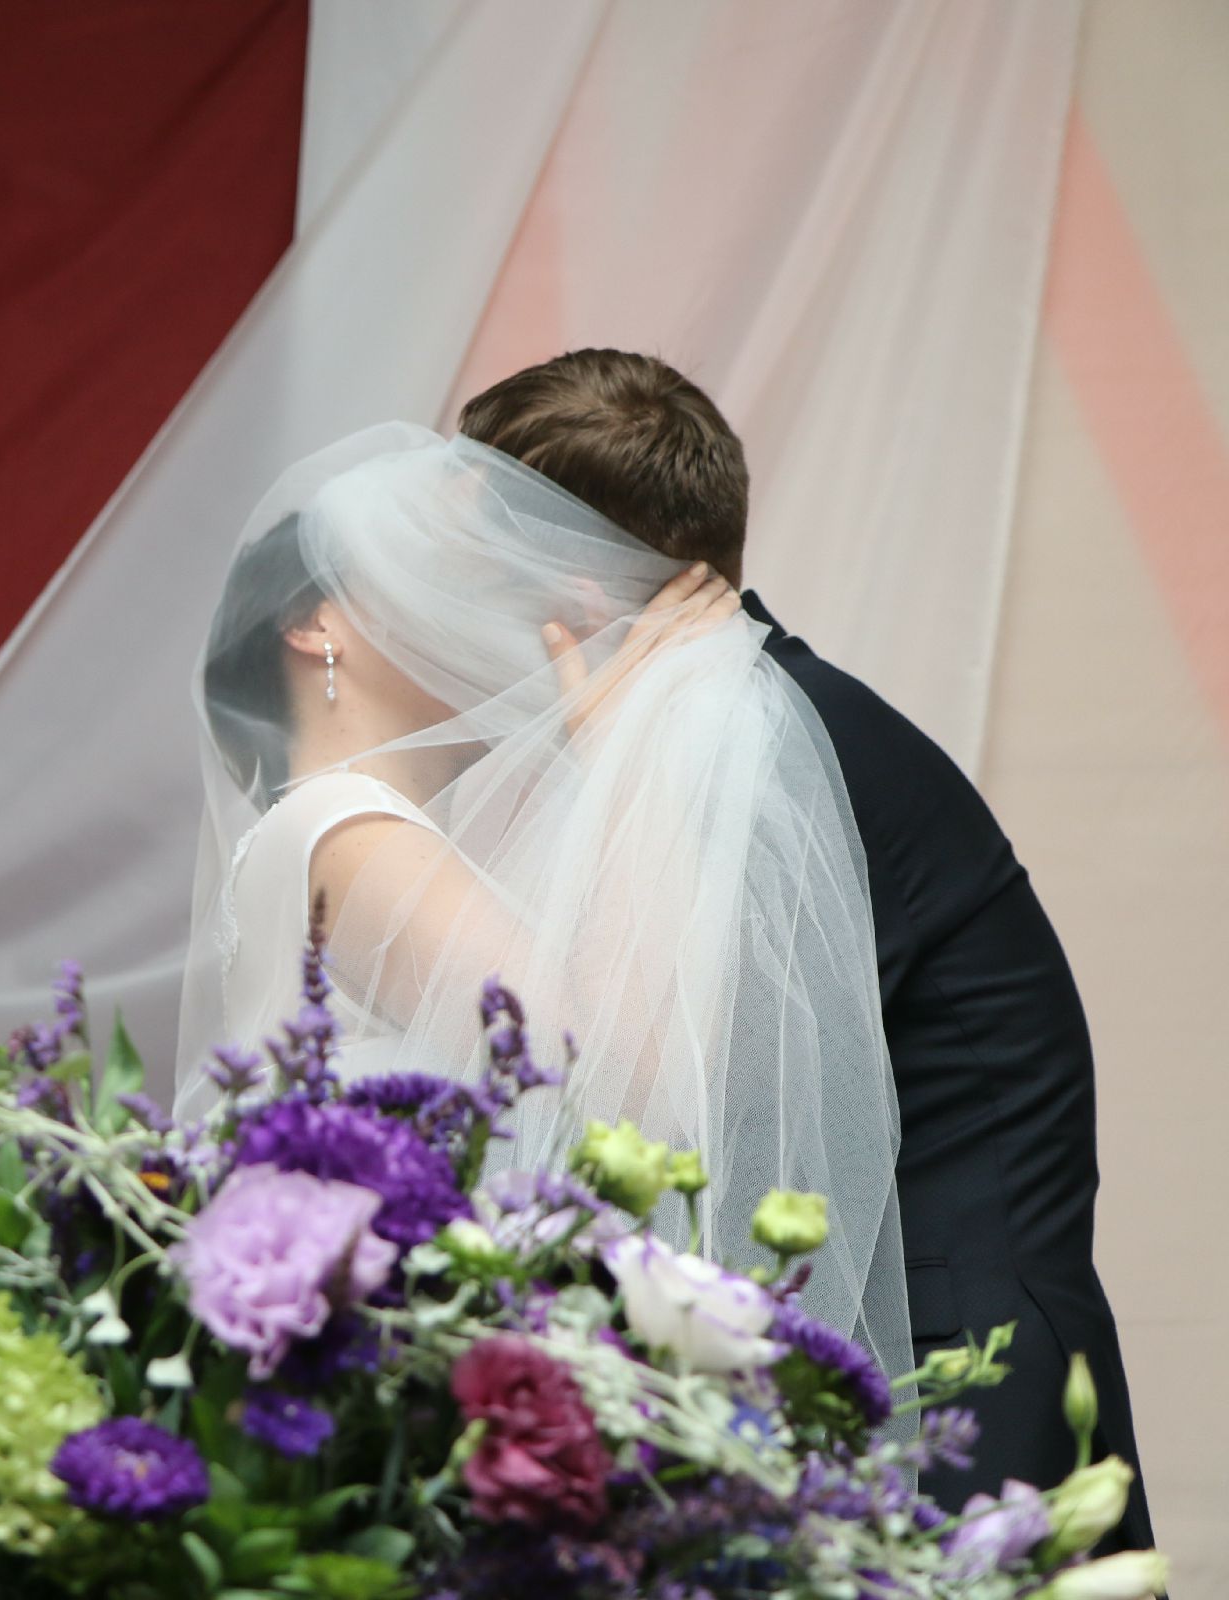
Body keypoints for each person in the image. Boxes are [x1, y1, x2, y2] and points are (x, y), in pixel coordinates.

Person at [453, 348, 1152, 1539]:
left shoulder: (740, 736)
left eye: (483, 565)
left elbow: (656, 1091)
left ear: (568, 581)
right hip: (923, 1350)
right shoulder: (730, 708)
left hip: (958, 1389)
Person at [178, 419, 912, 1387]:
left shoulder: (358, 836)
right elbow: (611, 1075)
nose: (469, 600)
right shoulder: (339, 826)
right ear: (316, 625)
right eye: (418, 573)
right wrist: (622, 747)